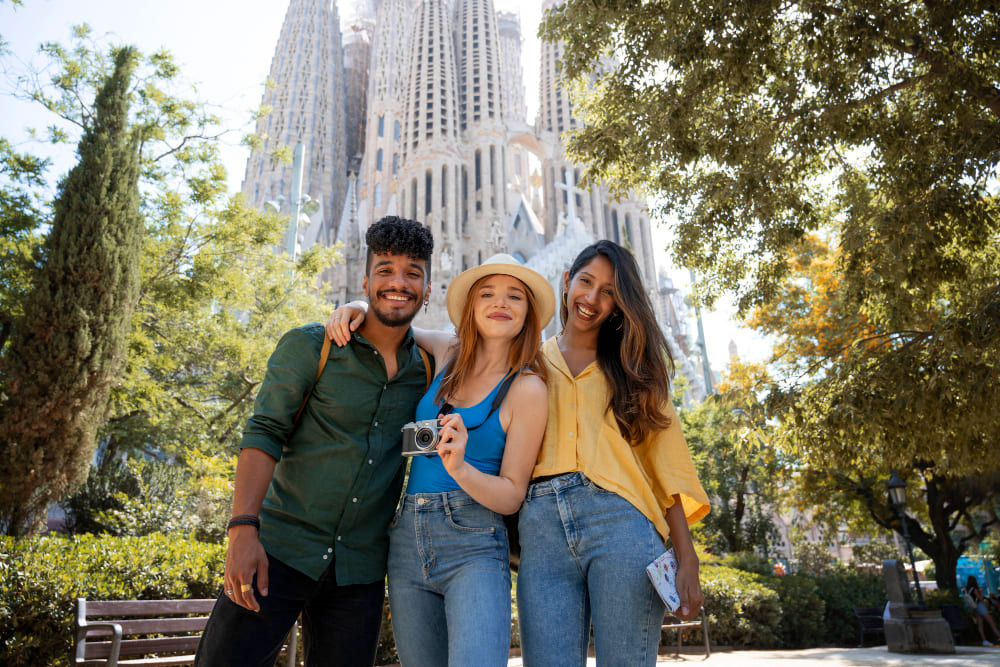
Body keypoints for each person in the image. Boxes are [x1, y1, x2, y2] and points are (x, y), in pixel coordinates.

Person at [194, 216, 434, 667]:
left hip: (358, 575)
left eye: (412, 273)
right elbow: (264, 431)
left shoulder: (426, 370)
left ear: (427, 286)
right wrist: (242, 530)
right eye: (384, 270)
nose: (397, 283)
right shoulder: (312, 346)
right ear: (365, 279)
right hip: (278, 553)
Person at [327, 253, 552, 666]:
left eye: (514, 297)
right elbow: (393, 325)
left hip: (475, 542)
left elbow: (511, 496)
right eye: (487, 293)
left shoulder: (528, 388)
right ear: (470, 306)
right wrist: (358, 307)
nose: (499, 303)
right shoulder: (448, 350)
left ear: (528, 314)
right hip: (406, 539)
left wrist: (460, 469)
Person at [515, 240, 710, 666]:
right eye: (586, 282)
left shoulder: (633, 367)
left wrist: (686, 555)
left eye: (609, 292)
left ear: (620, 306)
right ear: (567, 282)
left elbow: (666, 461)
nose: (592, 298)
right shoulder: (527, 362)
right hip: (541, 532)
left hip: (621, 525)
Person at [964, 575, 1000, 646]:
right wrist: (981, 592)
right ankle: (998, 635)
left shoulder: (968, 589)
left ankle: (984, 640)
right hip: (980, 606)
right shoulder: (975, 589)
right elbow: (980, 599)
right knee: (991, 622)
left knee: (980, 624)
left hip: (975, 607)